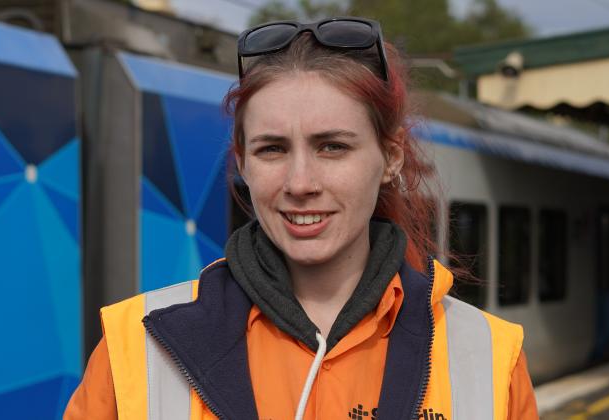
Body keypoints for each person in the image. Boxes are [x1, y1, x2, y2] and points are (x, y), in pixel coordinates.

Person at [64, 17, 538, 420]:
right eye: (272, 149)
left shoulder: (490, 358)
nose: (300, 182)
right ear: (243, 163)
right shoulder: (134, 347)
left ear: (391, 158)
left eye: (333, 146)